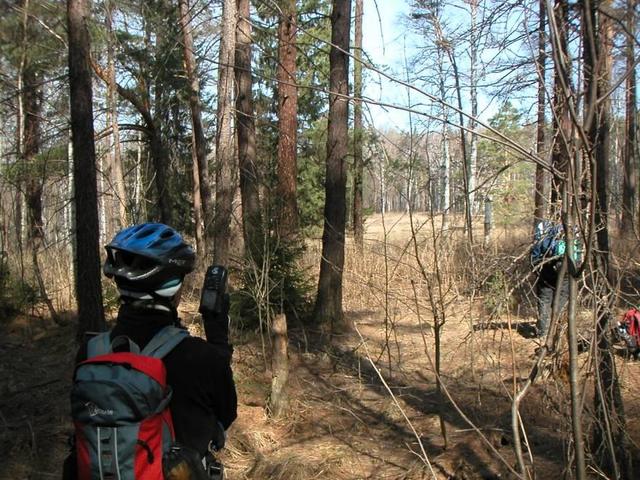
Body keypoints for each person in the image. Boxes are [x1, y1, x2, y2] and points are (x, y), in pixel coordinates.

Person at [62, 223, 237, 479]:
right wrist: (218, 337)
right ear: (174, 289)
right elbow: (226, 414)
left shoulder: (90, 352)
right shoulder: (201, 358)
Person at [531, 219, 569, 338]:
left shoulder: (543, 227)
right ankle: (559, 333)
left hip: (546, 271)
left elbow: (535, 256)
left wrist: (537, 270)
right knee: (561, 304)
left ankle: (543, 333)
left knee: (544, 302)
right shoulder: (571, 225)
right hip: (566, 271)